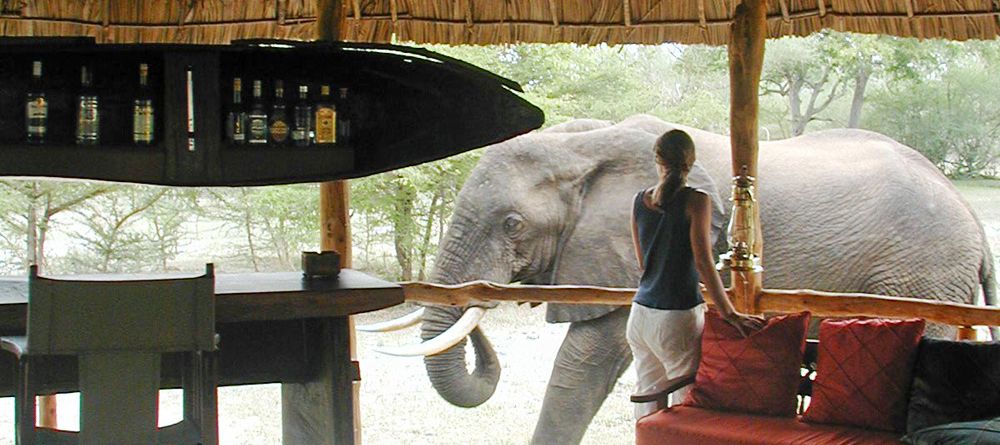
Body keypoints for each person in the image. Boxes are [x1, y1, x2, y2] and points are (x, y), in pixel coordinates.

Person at [626, 129, 764, 419]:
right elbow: (703, 261)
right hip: (677, 317)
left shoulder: (640, 201)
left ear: (657, 159)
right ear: (691, 162)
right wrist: (729, 313)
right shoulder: (696, 201)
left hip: (639, 316)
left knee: (647, 404)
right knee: (684, 406)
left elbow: (644, 264)